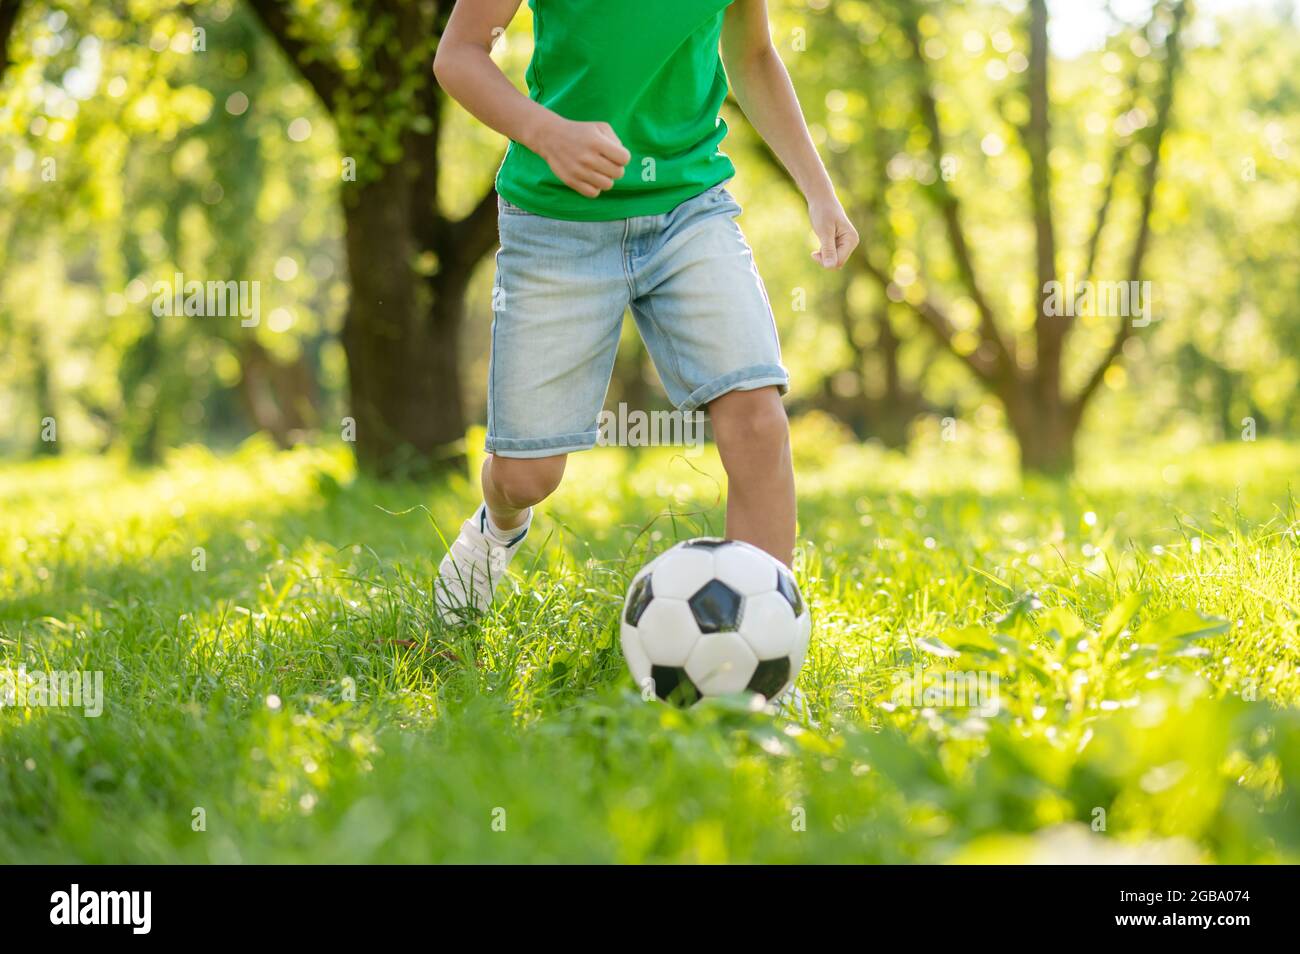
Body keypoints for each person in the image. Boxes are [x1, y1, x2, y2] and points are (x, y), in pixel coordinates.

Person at [431, 0, 857, 620]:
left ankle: (762, 648)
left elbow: (754, 54)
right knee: (528, 478)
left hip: (690, 205)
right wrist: (547, 132)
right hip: (557, 220)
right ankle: (494, 530)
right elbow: (459, 54)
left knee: (759, 421)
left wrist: (819, 191)